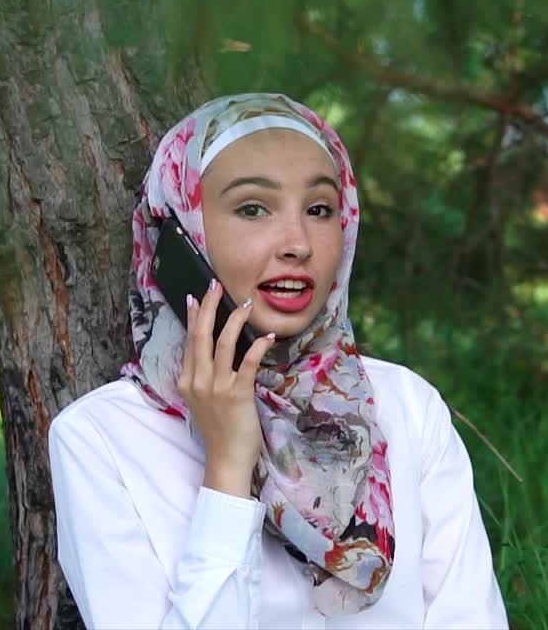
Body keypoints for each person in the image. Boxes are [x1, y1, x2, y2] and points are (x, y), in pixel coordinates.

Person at [48, 94, 509, 629]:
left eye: (319, 210)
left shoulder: (406, 407)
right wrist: (226, 469)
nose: (298, 244)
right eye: (252, 209)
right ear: (181, 233)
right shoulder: (100, 438)